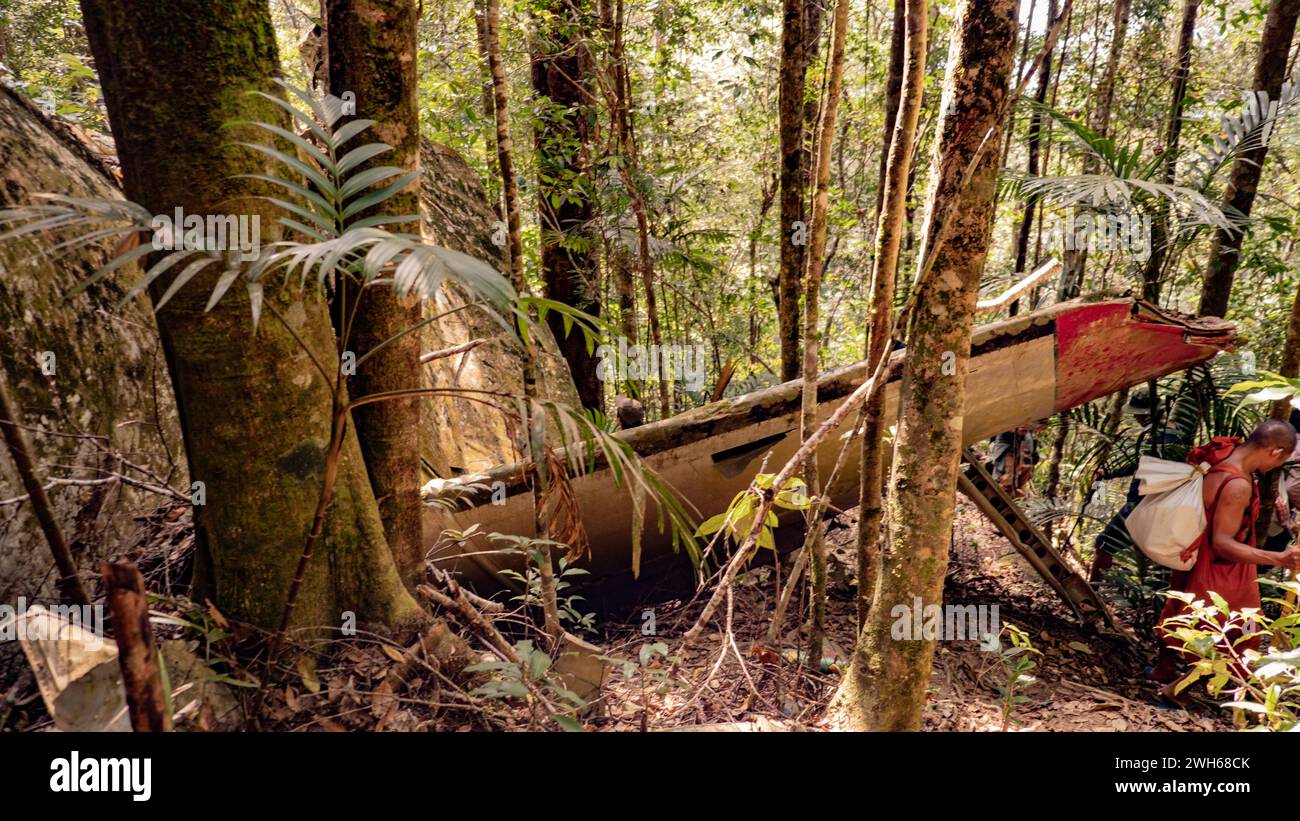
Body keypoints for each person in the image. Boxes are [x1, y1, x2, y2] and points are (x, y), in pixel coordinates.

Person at [1151, 419, 1300, 704]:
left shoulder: (1221, 456)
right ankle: (1175, 691)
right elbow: (1222, 543)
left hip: (1194, 557)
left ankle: (1163, 669)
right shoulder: (1237, 485)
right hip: (1221, 569)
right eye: (1283, 460)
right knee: (1237, 635)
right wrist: (1278, 558)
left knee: (1182, 610)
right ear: (1276, 452)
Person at [1089, 386, 1184, 582]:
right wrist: (1109, 473)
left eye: (1138, 414)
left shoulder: (1159, 436)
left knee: (1104, 544)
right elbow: (1139, 463)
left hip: (1143, 505)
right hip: (1161, 506)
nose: (1135, 418)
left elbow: (1146, 465)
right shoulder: (1170, 433)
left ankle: (1090, 597)